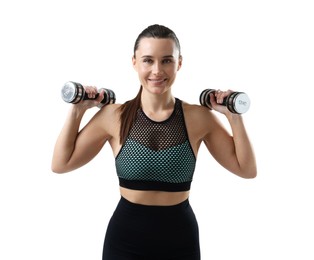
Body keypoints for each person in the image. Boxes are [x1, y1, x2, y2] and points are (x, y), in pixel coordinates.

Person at [51, 24, 257, 260]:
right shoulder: (113, 116)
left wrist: (234, 117)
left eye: (167, 60)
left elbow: (246, 169)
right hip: (125, 242)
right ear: (134, 62)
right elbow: (61, 164)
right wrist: (77, 111)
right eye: (148, 60)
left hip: (181, 242)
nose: (157, 70)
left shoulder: (198, 117)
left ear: (179, 63)